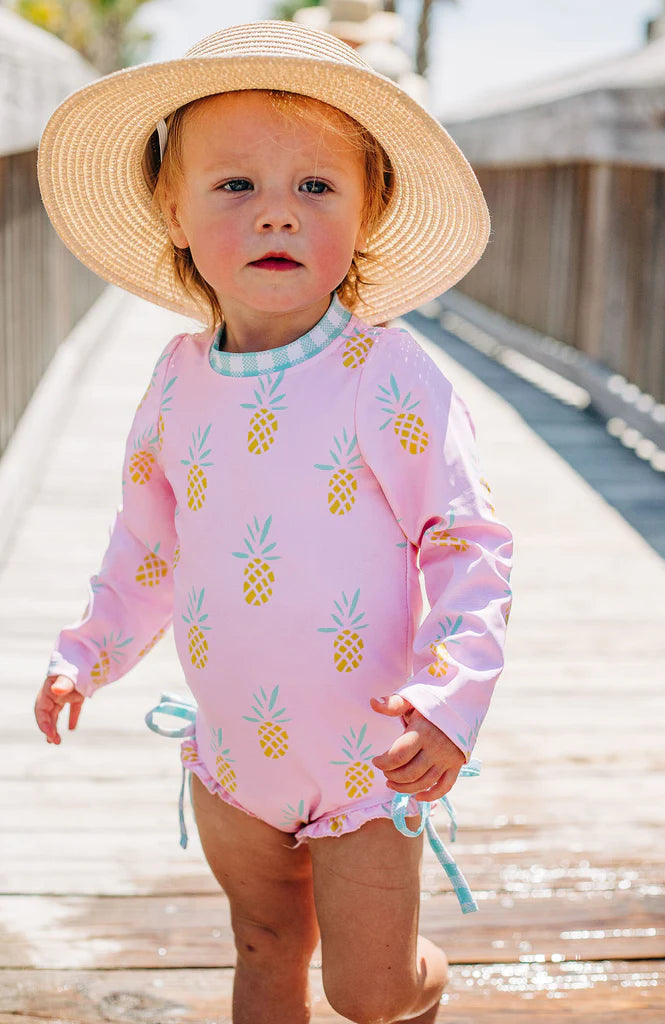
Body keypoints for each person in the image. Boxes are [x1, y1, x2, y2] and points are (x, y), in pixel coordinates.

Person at [34, 20, 513, 1024]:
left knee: (367, 988)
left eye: (315, 187)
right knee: (263, 951)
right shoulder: (175, 382)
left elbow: (465, 542)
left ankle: (420, 978)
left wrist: (450, 695)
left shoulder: (386, 375)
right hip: (231, 756)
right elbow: (149, 547)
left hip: (366, 760)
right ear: (172, 208)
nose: (275, 217)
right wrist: (87, 650)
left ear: (368, 209)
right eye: (235, 186)